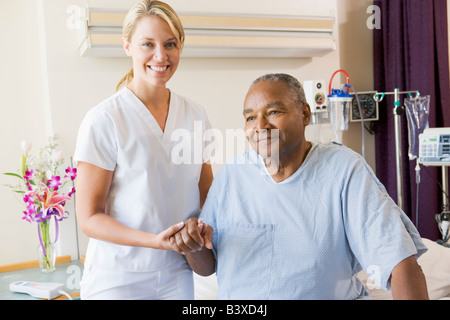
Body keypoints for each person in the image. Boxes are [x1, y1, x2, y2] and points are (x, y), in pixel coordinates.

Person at [170, 73, 430, 300]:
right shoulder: (232, 176)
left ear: (305, 114)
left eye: (273, 112)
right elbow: (208, 267)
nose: (260, 126)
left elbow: (398, 261)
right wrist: (192, 245)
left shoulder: (343, 170)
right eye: (250, 118)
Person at [73, 0, 213, 300]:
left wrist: (205, 229)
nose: (160, 56)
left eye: (170, 44)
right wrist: (155, 241)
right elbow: (89, 217)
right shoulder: (105, 119)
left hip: (177, 273)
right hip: (117, 278)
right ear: (127, 47)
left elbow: (208, 196)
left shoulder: (196, 116)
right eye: (147, 44)